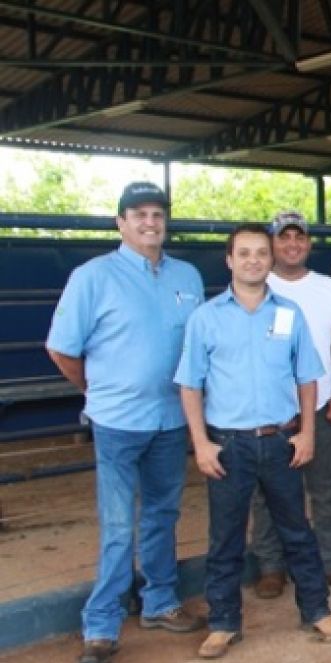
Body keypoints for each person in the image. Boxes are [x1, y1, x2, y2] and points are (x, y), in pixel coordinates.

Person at [175, 224, 331, 659]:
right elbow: (190, 385)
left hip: (280, 441)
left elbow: (308, 376)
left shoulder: (287, 313)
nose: (254, 260)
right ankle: (222, 623)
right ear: (230, 260)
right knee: (225, 538)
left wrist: (307, 432)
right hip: (227, 445)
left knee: (297, 530)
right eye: (244, 253)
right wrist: (201, 443)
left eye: (261, 253)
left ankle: (316, 610)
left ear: (271, 261)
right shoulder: (206, 317)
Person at [46, 182, 205, 663]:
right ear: (121, 223)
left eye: (157, 214)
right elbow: (61, 348)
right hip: (118, 422)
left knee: (163, 514)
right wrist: (97, 391)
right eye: (139, 215)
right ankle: (101, 624)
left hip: (171, 418)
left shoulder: (188, 276)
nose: (150, 223)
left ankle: (160, 601)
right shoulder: (92, 277)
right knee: (118, 525)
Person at [250, 211, 331, 599]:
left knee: (328, 490)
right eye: (284, 238)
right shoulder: (256, 284)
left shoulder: (329, 288)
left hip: (323, 407)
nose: (292, 244)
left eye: (299, 237)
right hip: (272, 412)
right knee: (269, 493)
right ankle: (271, 566)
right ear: (272, 244)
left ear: (309, 244)